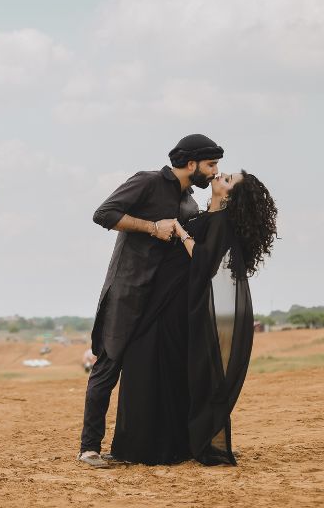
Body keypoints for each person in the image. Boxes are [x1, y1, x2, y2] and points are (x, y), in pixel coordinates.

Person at [110, 170, 277, 466]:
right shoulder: (207, 216)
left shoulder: (222, 222)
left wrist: (180, 229)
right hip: (167, 302)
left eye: (227, 180)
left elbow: (204, 261)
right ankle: (162, 445)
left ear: (230, 196)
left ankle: (157, 448)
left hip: (177, 307)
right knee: (156, 370)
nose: (221, 176)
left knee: (151, 366)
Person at [78, 134, 223, 468]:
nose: (215, 171)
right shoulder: (147, 181)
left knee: (162, 373)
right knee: (108, 366)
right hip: (129, 292)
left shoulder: (189, 199)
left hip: (163, 303)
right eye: (211, 164)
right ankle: (89, 448)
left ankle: (159, 443)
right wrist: (150, 226)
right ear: (191, 164)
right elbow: (103, 214)